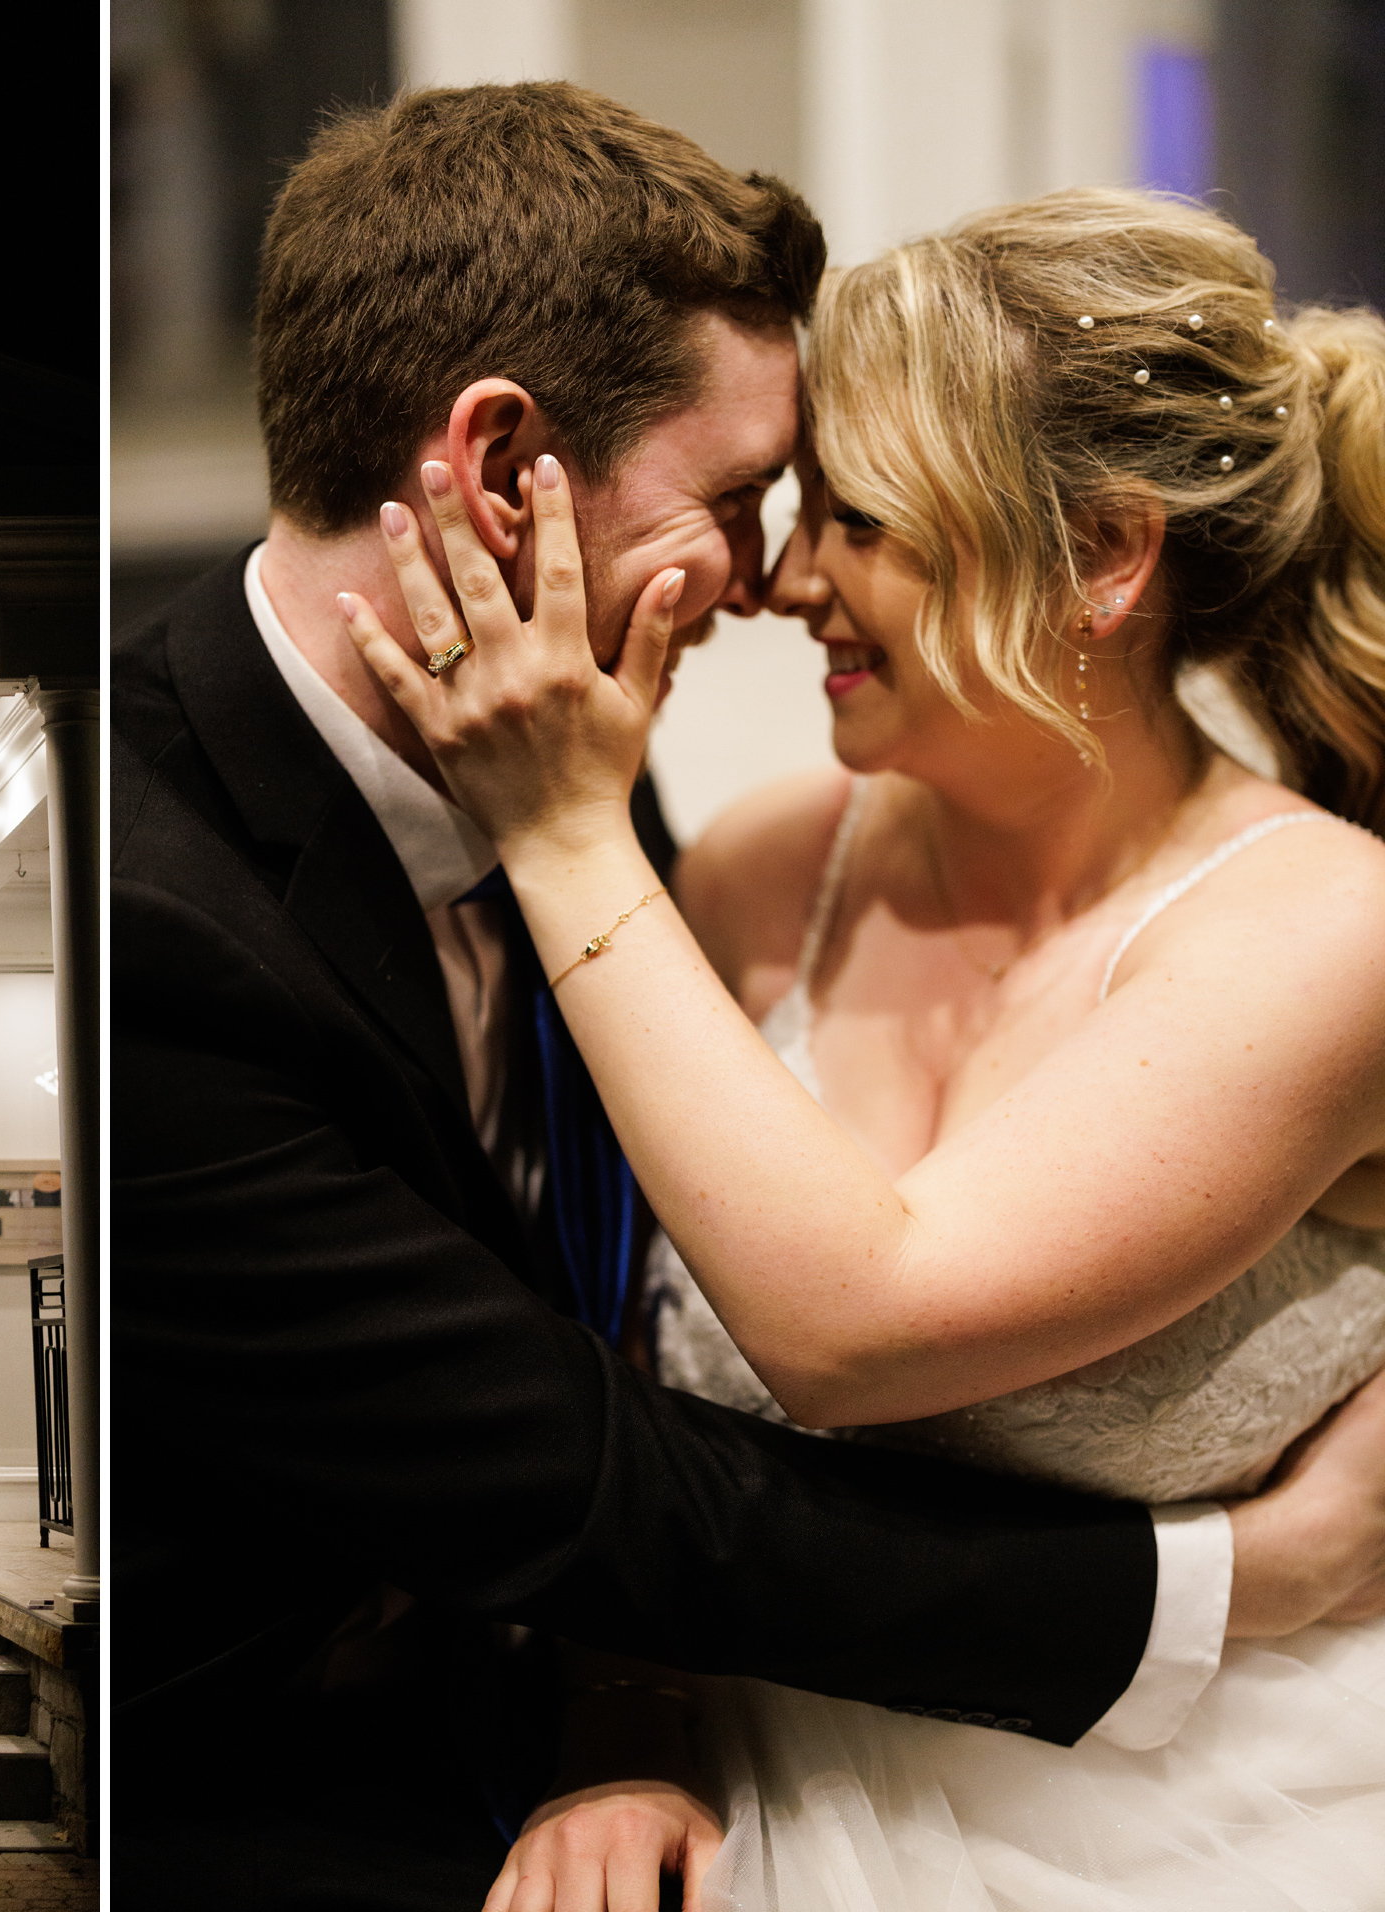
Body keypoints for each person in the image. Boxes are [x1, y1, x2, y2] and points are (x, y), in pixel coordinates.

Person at [112, 80, 1385, 1912]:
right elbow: (612, 1415)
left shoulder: (590, 801)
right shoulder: (649, 849)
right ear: (494, 471)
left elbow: (791, 1328)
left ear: (1106, 560)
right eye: (750, 501)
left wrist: (565, 836)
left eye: (845, 514)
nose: (780, 577)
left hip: (1211, 1813)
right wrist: (628, 1723)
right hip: (424, 1756)